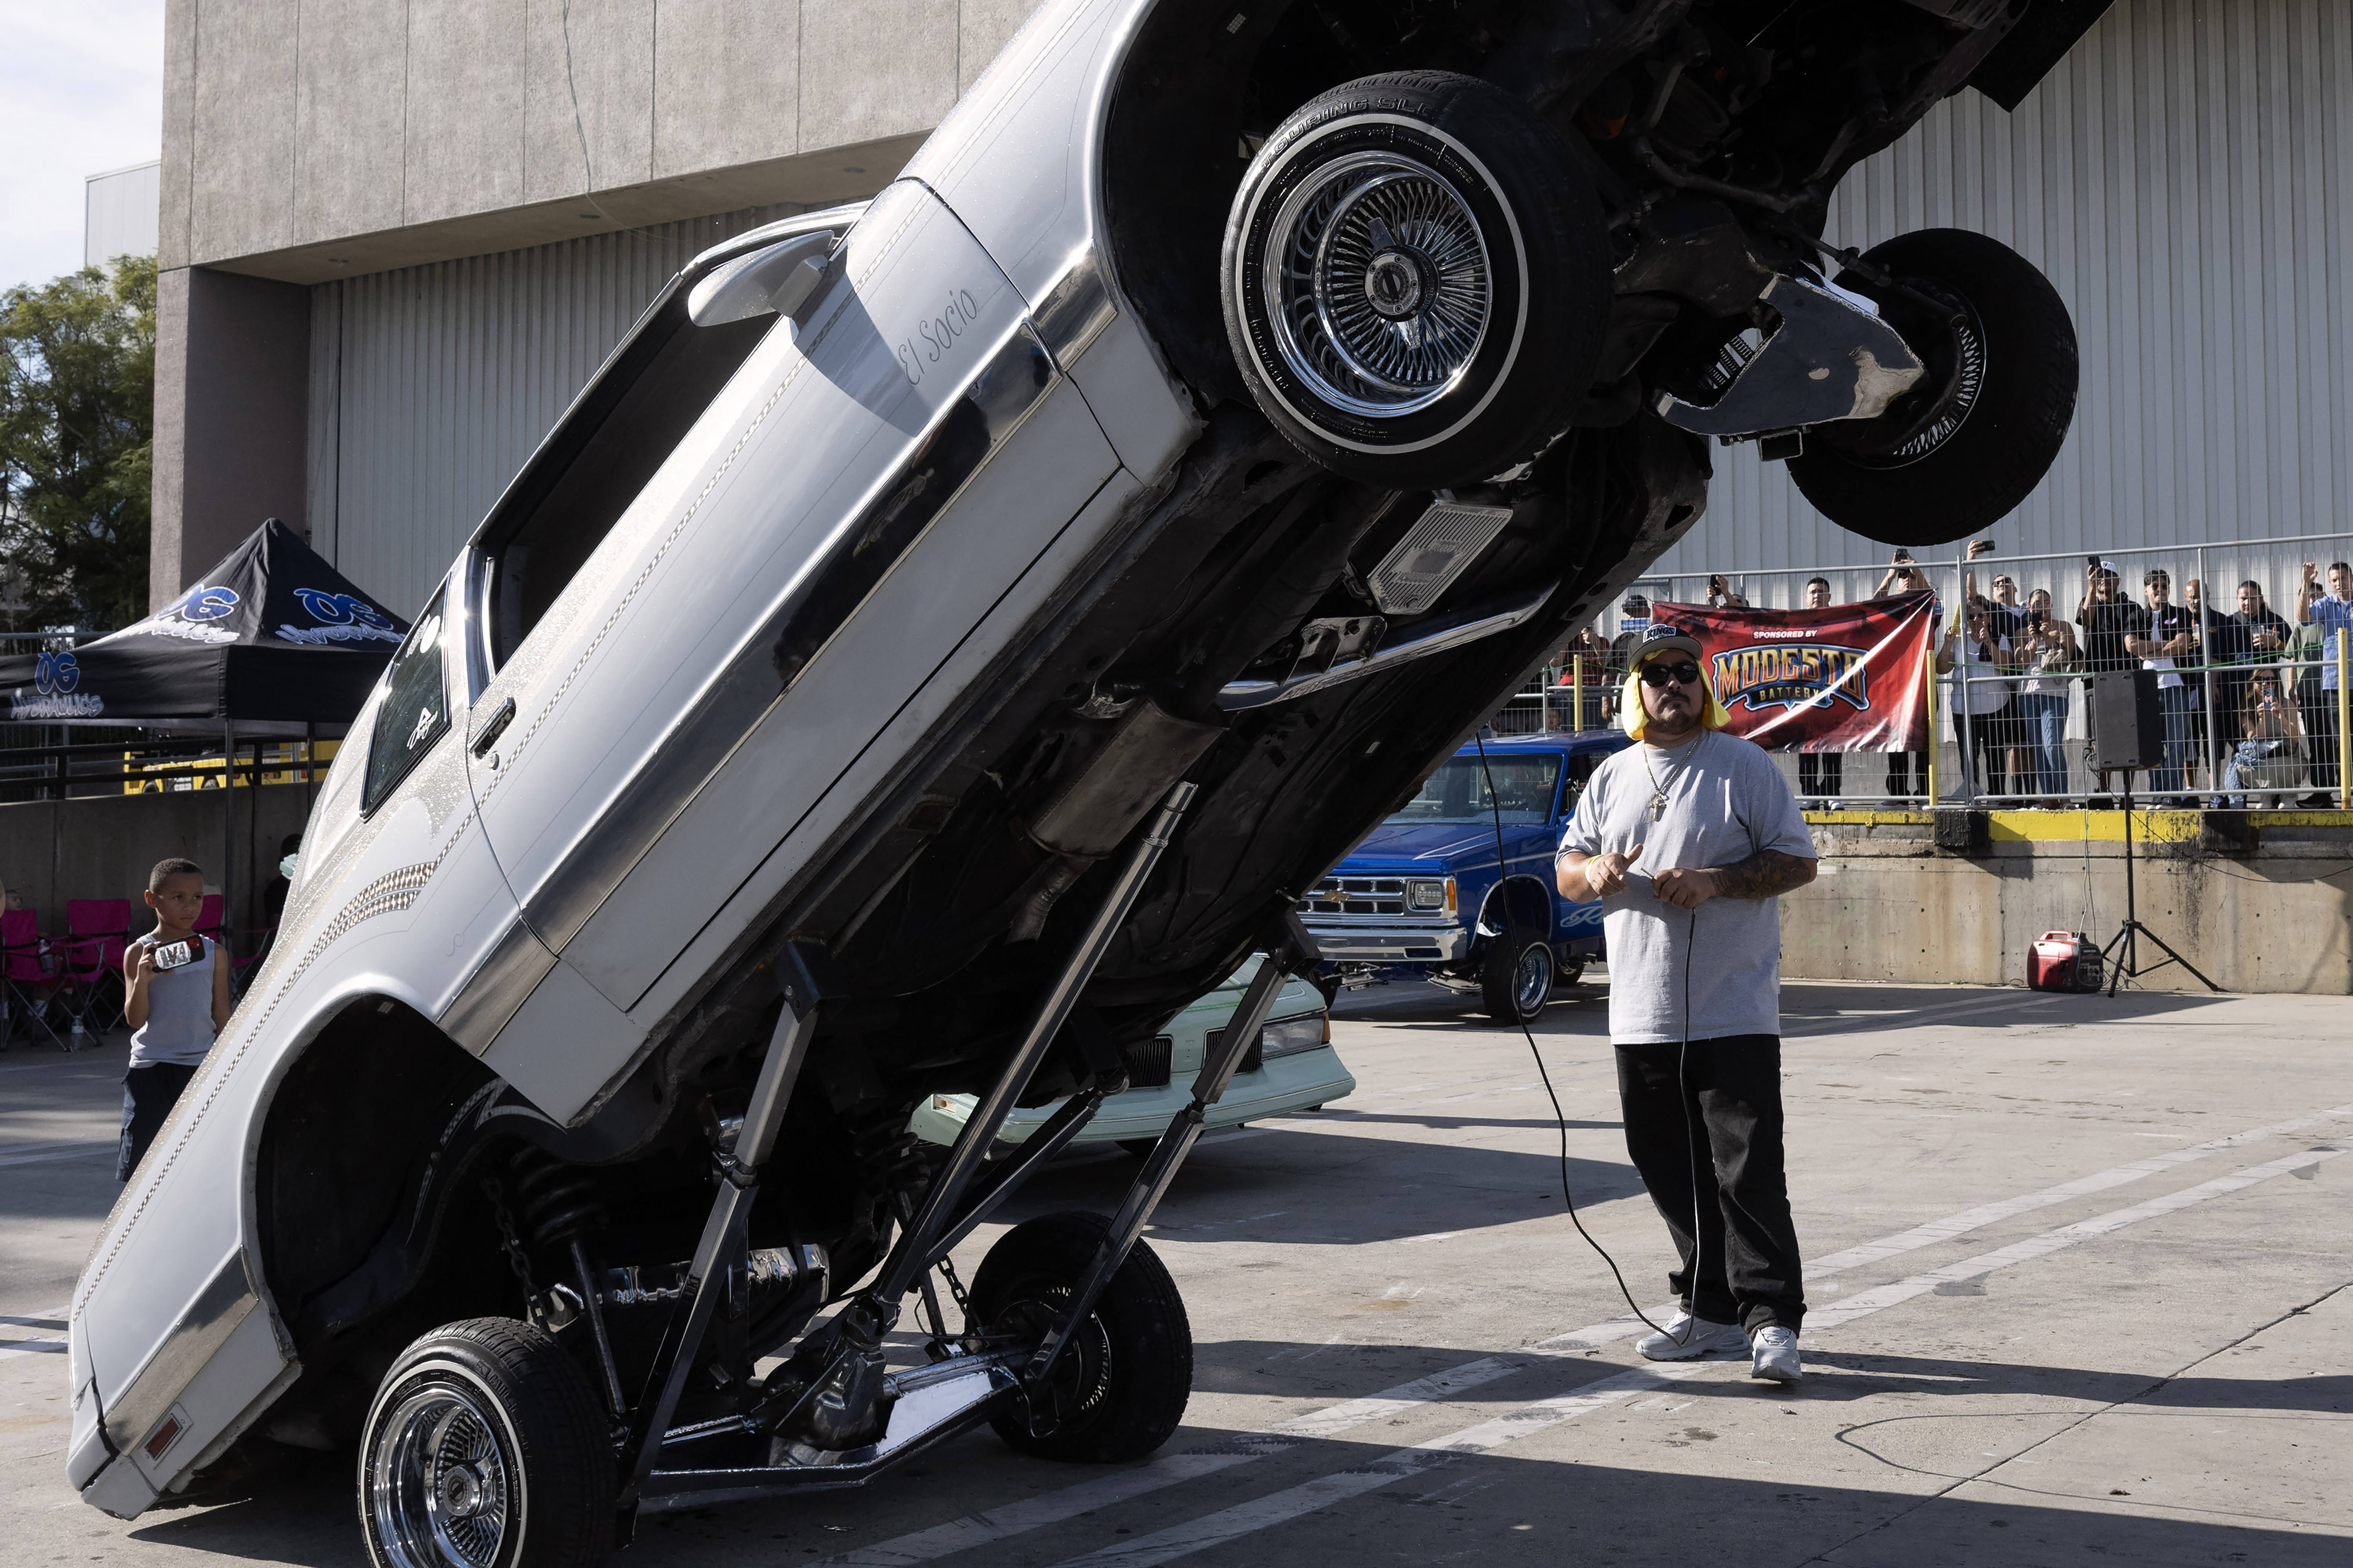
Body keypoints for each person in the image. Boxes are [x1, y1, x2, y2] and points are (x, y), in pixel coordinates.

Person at [1556, 624, 1819, 1384]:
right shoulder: (1612, 775)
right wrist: (1594, 871)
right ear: (1635, 692)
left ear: (1704, 687)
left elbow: (1798, 862)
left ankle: (1771, 1320)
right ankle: (1710, 1310)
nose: (1672, 683)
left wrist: (1716, 881)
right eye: (1657, 674)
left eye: (1684, 672)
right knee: (1665, 1162)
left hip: (1732, 1007)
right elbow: (1566, 867)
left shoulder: (1744, 766)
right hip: (1641, 1012)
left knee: (1746, 1170)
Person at [118, 859, 232, 1182]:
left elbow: (221, 1012)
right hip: (150, 1069)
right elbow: (135, 1019)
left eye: (197, 897)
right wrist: (143, 979)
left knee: (199, 1164)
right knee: (143, 1168)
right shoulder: (138, 953)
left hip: (200, 1067)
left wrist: (230, 1063)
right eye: (178, 897)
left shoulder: (214, 953)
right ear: (151, 899)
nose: (190, 907)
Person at [2125, 568, 2196, 803]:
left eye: (2164, 587)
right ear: (2146, 590)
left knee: (2176, 744)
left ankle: (2172, 794)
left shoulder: (2180, 614)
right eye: (2155, 587)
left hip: (2175, 686)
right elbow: (2132, 646)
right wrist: (2167, 645)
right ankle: (2158, 795)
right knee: (2153, 745)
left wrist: (2150, 650)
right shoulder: (2136, 616)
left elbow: (2183, 645)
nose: (2160, 591)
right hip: (2147, 688)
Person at [2076, 562, 2145, 804]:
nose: (2104, 579)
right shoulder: (2089, 602)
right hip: (2096, 680)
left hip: (2126, 679)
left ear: (2118, 580)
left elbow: (2133, 638)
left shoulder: (2131, 607)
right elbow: (2086, 619)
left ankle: (2127, 793)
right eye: (2099, 576)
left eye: (2109, 575)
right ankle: (2103, 792)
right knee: (2099, 738)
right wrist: (2090, 588)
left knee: (2129, 735)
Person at [1875, 551, 1936, 799]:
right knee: (1896, 742)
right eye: (1903, 578)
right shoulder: (1891, 609)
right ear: (1897, 586)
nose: (1907, 580)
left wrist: (1916, 569)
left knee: (1924, 743)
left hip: (1922, 685)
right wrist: (1890, 576)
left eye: (1911, 577)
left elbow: (1932, 596)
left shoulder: (1927, 607)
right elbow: (1872, 608)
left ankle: (1925, 793)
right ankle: (1898, 794)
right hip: (1895, 688)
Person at [2011, 589, 2079, 801]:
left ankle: (2064, 796)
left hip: (2055, 695)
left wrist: (2049, 639)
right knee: (2039, 748)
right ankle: (2049, 797)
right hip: (2028, 695)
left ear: (2051, 606)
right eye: (2038, 603)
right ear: (2030, 607)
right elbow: (2020, 664)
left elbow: (2068, 658)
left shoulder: (2063, 627)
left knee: (2052, 745)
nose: (2043, 607)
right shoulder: (2022, 632)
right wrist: (2034, 640)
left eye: (2047, 603)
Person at [2295, 561, 2353, 804]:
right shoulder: (2327, 604)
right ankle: (2334, 792)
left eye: (2343, 578)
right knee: (2336, 739)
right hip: (2335, 683)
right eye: (2335, 580)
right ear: (2330, 583)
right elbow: (2303, 618)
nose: (2340, 583)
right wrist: (2306, 583)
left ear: (2352, 578)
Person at [1952, 605, 2016, 800]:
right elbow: (1941, 668)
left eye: (1981, 615)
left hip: (1994, 707)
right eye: (1971, 616)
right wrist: (1947, 644)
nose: (1976, 619)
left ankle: (1997, 795)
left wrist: (1988, 642)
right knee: (1968, 755)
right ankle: (1972, 794)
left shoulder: (1999, 638)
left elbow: (2005, 666)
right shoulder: (1958, 641)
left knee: (1995, 753)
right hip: (1964, 709)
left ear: (1989, 618)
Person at [2222, 671, 2305, 809]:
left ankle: (2289, 795)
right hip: (2262, 757)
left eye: (2271, 680)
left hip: (2289, 756)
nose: (2265, 684)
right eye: (2260, 680)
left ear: (2277, 684)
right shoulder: (2247, 708)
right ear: (2253, 683)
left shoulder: (2287, 704)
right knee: (2250, 765)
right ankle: (2266, 794)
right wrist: (2262, 719)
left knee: (2280, 765)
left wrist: (2282, 718)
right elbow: (2254, 740)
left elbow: (2296, 739)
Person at [1796, 577, 1842, 807]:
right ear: (1806, 598)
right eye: (1813, 592)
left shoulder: (1841, 620)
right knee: (1807, 745)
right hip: (1805, 692)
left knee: (1834, 744)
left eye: (1822, 592)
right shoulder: (1797, 624)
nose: (1817, 596)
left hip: (1834, 691)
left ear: (1830, 596)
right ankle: (1810, 795)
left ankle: (1833, 793)